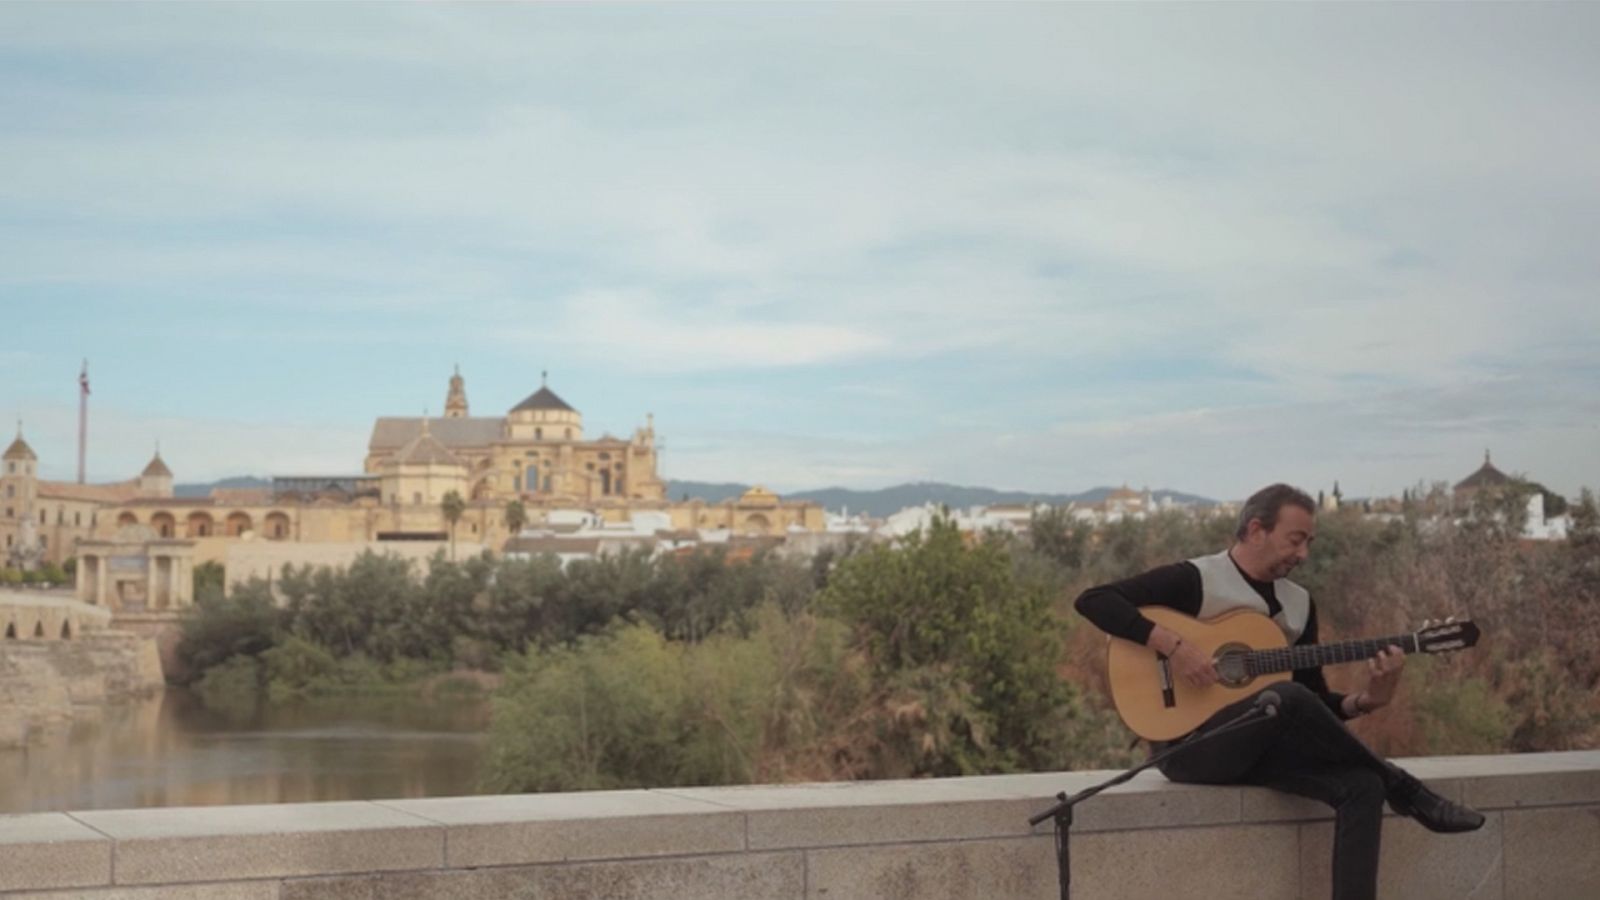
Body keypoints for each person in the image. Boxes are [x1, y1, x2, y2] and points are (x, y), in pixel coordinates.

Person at [1074, 483, 1483, 900]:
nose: (1303, 554)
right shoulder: (1195, 579)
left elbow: (1312, 700)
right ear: (1256, 530)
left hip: (1261, 747)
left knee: (1362, 784)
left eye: (1309, 542)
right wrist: (1173, 646)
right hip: (1188, 747)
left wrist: (1367, 700)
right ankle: (1410, 792)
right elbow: (1094, 600)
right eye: (1296, 540)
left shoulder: (1300, 605)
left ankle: (1388, 794)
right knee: (1282, 700)